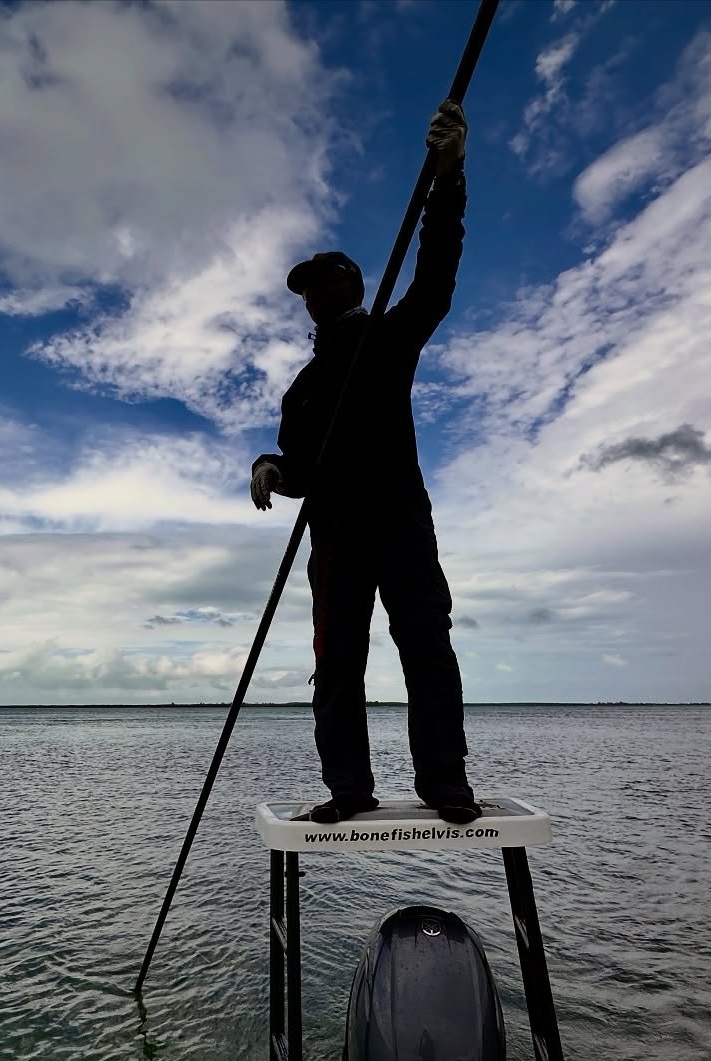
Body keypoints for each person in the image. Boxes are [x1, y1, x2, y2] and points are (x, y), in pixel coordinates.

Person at [250, 101, 479, 827]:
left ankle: (444, 783)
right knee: (336, 666)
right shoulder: (301, 389)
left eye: (327, 283)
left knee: (427, 650)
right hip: (335, 538)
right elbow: (301, 469)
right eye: (307, 290)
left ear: (352, 287)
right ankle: (350, 789)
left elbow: (435, 276)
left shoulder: (389, 337)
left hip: (401, 520)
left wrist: (449, 177)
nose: (316, 295)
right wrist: (272, 468)